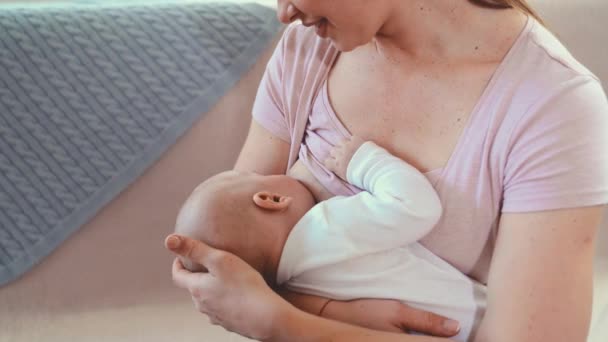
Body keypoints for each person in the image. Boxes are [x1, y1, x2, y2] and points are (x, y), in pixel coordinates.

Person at [166, 0, 608, 341]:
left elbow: (254, 301)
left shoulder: (553, 107)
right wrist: (335, 317)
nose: (284, 12)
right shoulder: (307, 51)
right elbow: (234, 264)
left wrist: (285, 322)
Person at [172, 136, 486, 341]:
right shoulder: (326, 228)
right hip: (480, 320)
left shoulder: (292, 290)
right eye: (256, 177)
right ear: (271, 199)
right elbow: (417, 207)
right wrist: (364, 163)